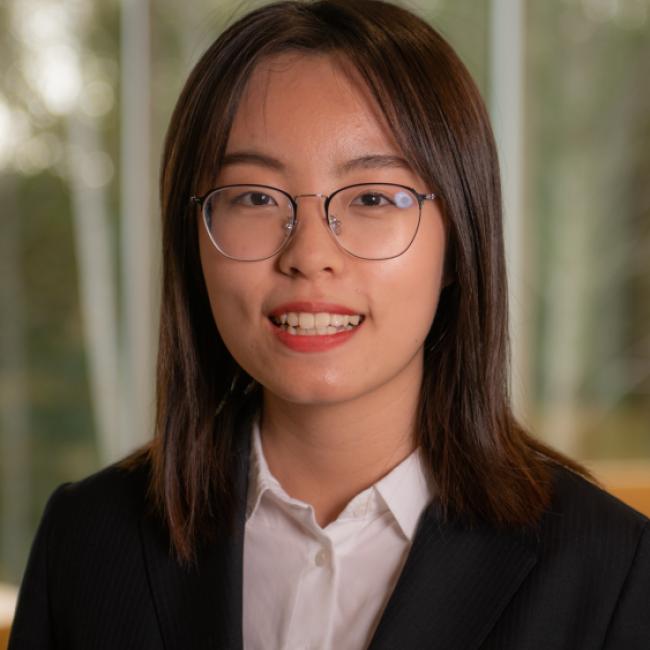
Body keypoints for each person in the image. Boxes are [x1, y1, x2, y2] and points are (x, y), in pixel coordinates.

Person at [9, 1, 649, 648]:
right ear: (192, 239)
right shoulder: (87, 540)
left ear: (459, 242)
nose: (309, 255)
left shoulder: (613, 569)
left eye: (374, 197)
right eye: (255, 198)